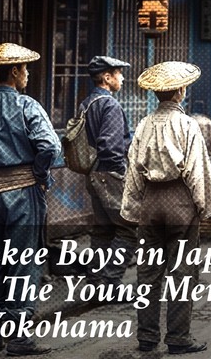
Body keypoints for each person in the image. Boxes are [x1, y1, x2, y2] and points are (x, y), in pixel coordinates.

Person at [0, 43, 61, 356]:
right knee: (22, 261)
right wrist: (41, 176)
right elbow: (48, 147)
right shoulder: (27, 106)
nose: (28, 74)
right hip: (23, 193)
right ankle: (19, 336)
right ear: (15, 71)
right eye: (26, 69)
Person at [121, 61, 211, 354]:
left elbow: (133, 171)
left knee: (148, 275)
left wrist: (131, 209)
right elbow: (197, 172)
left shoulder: (143, 124)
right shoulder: (187, 125)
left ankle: (147, 337)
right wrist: (208, 209)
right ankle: (178, 338)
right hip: (180, 204)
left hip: (151, 205)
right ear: (180, 91)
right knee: (182, 273)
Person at [80, 55, 137, 290]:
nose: (122, 78)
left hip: (93, 173)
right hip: (110, 174)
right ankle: (111, 283)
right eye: (118, 73)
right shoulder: (110, 104)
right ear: (107, 77)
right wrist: (121, 174)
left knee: (103, 230)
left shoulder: (87, 103)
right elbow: (110, 146)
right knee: (129, 229)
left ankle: (96, 281)